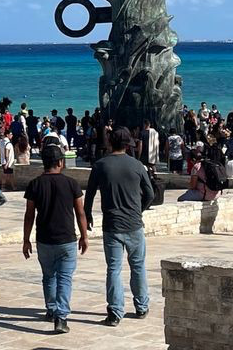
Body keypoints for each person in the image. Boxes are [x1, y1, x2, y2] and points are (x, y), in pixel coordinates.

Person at [83, 127, 154, 326]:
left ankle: (115, 312)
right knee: (138, 266)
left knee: (114, 268)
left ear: (110, 142)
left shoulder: (100, 165)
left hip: (112, 225)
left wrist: (88, 215)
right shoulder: (137, 165)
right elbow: (150, 194)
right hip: (134, 224)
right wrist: (139, 210)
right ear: (128, 145)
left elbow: (89, 194)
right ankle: (141, 306)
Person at [23, 144, 89, 335]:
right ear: (60, 162)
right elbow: (80, 213)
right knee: (64, 278)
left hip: (44, 239)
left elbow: (29, 215)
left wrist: (26, 240)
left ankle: (52, 309)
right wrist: (84, 236)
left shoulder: (35, 184)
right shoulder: (71, 184)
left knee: (49, 276)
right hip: (67, 239)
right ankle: (61, 317)